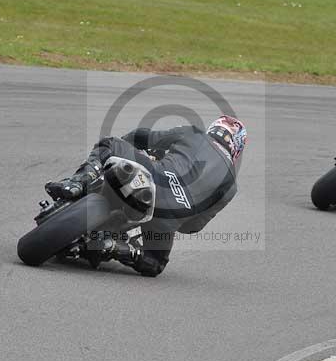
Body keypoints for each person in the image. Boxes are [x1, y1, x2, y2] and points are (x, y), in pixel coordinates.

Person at [45, 116, 247, 276]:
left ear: (214, 128)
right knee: (155, 263)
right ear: (236, 147)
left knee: (109, 144)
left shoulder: (194, 133)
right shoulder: (230, 187)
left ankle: (76, 183)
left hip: (155, 177)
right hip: (168, 218)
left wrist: (127, 144)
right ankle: (114, 247)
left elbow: (146, 137)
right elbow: (193, 226)